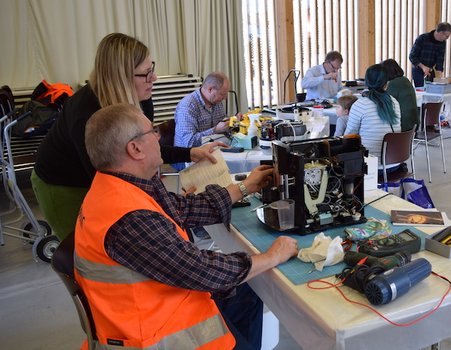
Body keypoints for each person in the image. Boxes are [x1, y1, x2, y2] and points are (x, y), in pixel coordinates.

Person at [77, 103, 299, 349]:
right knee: (247, 280)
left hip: (164, 301)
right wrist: (271, 257)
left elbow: (181, 209)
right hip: (161, 336)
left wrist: (246, 186)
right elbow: (203, 271)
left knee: (249, 290)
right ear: (135, 148)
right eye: (153, 132)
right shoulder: (130, 219)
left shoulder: (119, 188)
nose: (158, 137)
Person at [31, 33, 222, 241]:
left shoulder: (141, 99)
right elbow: (111, 184)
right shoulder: (86, 116)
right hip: (64, 183)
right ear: (120, 77)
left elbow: (143, 148)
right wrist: (160, 204)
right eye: (146, 73)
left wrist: (190, 152)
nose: (154, 78)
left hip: (97, 176)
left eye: (152, 69)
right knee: (85, 248)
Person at [344, 64, 401, 161]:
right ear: (386, 84)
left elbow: (348, 138)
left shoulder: (360, 105)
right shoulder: (394, 102)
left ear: (366, 83)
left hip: (368, 167)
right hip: (395, 162)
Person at [175, 72, 235, 148]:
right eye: (222, 94)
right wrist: (215, 130)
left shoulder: (216, 101)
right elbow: (189, 142)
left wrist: (233, 122)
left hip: (211, 148)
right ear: (210, 89)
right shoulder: (188, 106)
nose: (225, 98)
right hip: (190, 155)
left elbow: (221, 124)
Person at [409, 22, 451, 88]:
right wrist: (423, 67)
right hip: (418, 69)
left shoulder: (442, 42)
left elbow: (440, 59)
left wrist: (439, 72)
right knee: (420, 90)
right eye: (447, 36)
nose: (447, 38)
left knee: (433, 90)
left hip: (430, 70)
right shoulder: (422, 38)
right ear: (440, 33)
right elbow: (412, 56)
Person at [382, 58, 419, 131]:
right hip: (413, 124)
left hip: (403, 124)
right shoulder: (405, 80)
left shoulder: (393, 83)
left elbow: (384, 100)